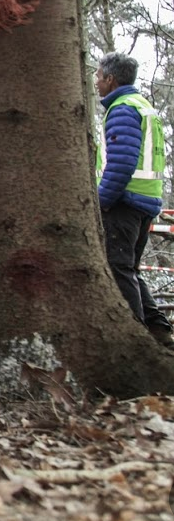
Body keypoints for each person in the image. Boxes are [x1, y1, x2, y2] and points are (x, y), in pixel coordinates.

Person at [94, 52, 174, 349]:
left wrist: (102, 201)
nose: (95, 82)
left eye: (99, 76)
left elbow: (121, 163)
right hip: (144, 200)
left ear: (111, 79)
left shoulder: (123, 109)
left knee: (119, 268)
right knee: (129, 268)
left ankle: (137, 338)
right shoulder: (141, 105)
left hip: (124, 202)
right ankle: (158, 330)